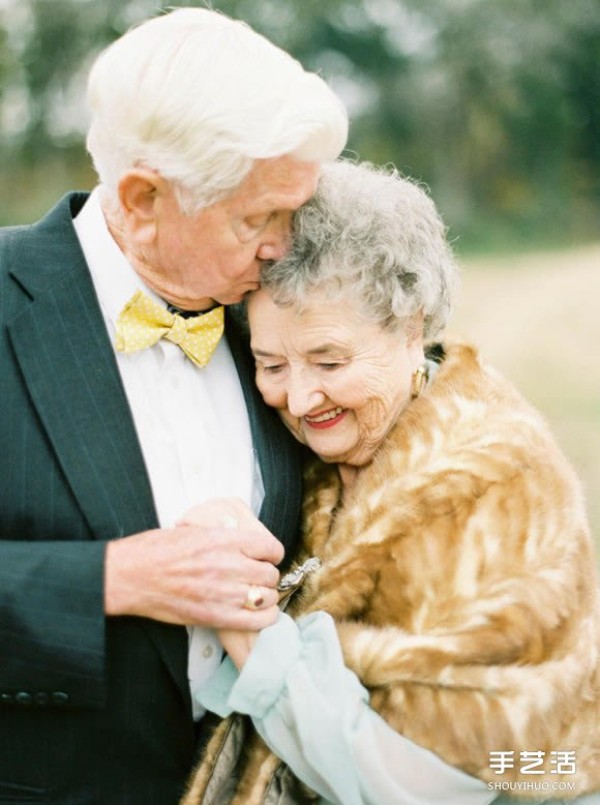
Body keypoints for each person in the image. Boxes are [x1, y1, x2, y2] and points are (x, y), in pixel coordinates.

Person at [0, 8, 348, 803]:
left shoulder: (276, 315)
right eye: (259, 217)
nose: (284, 247)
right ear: (143, 198)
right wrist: (110, 579)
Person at [181, 160, 600, 805]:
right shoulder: (326, 445)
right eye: (271, 363)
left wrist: (252, 635)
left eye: (329, 360)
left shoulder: (490, 486)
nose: (298, 396)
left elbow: (434, 784)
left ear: (412, 329)